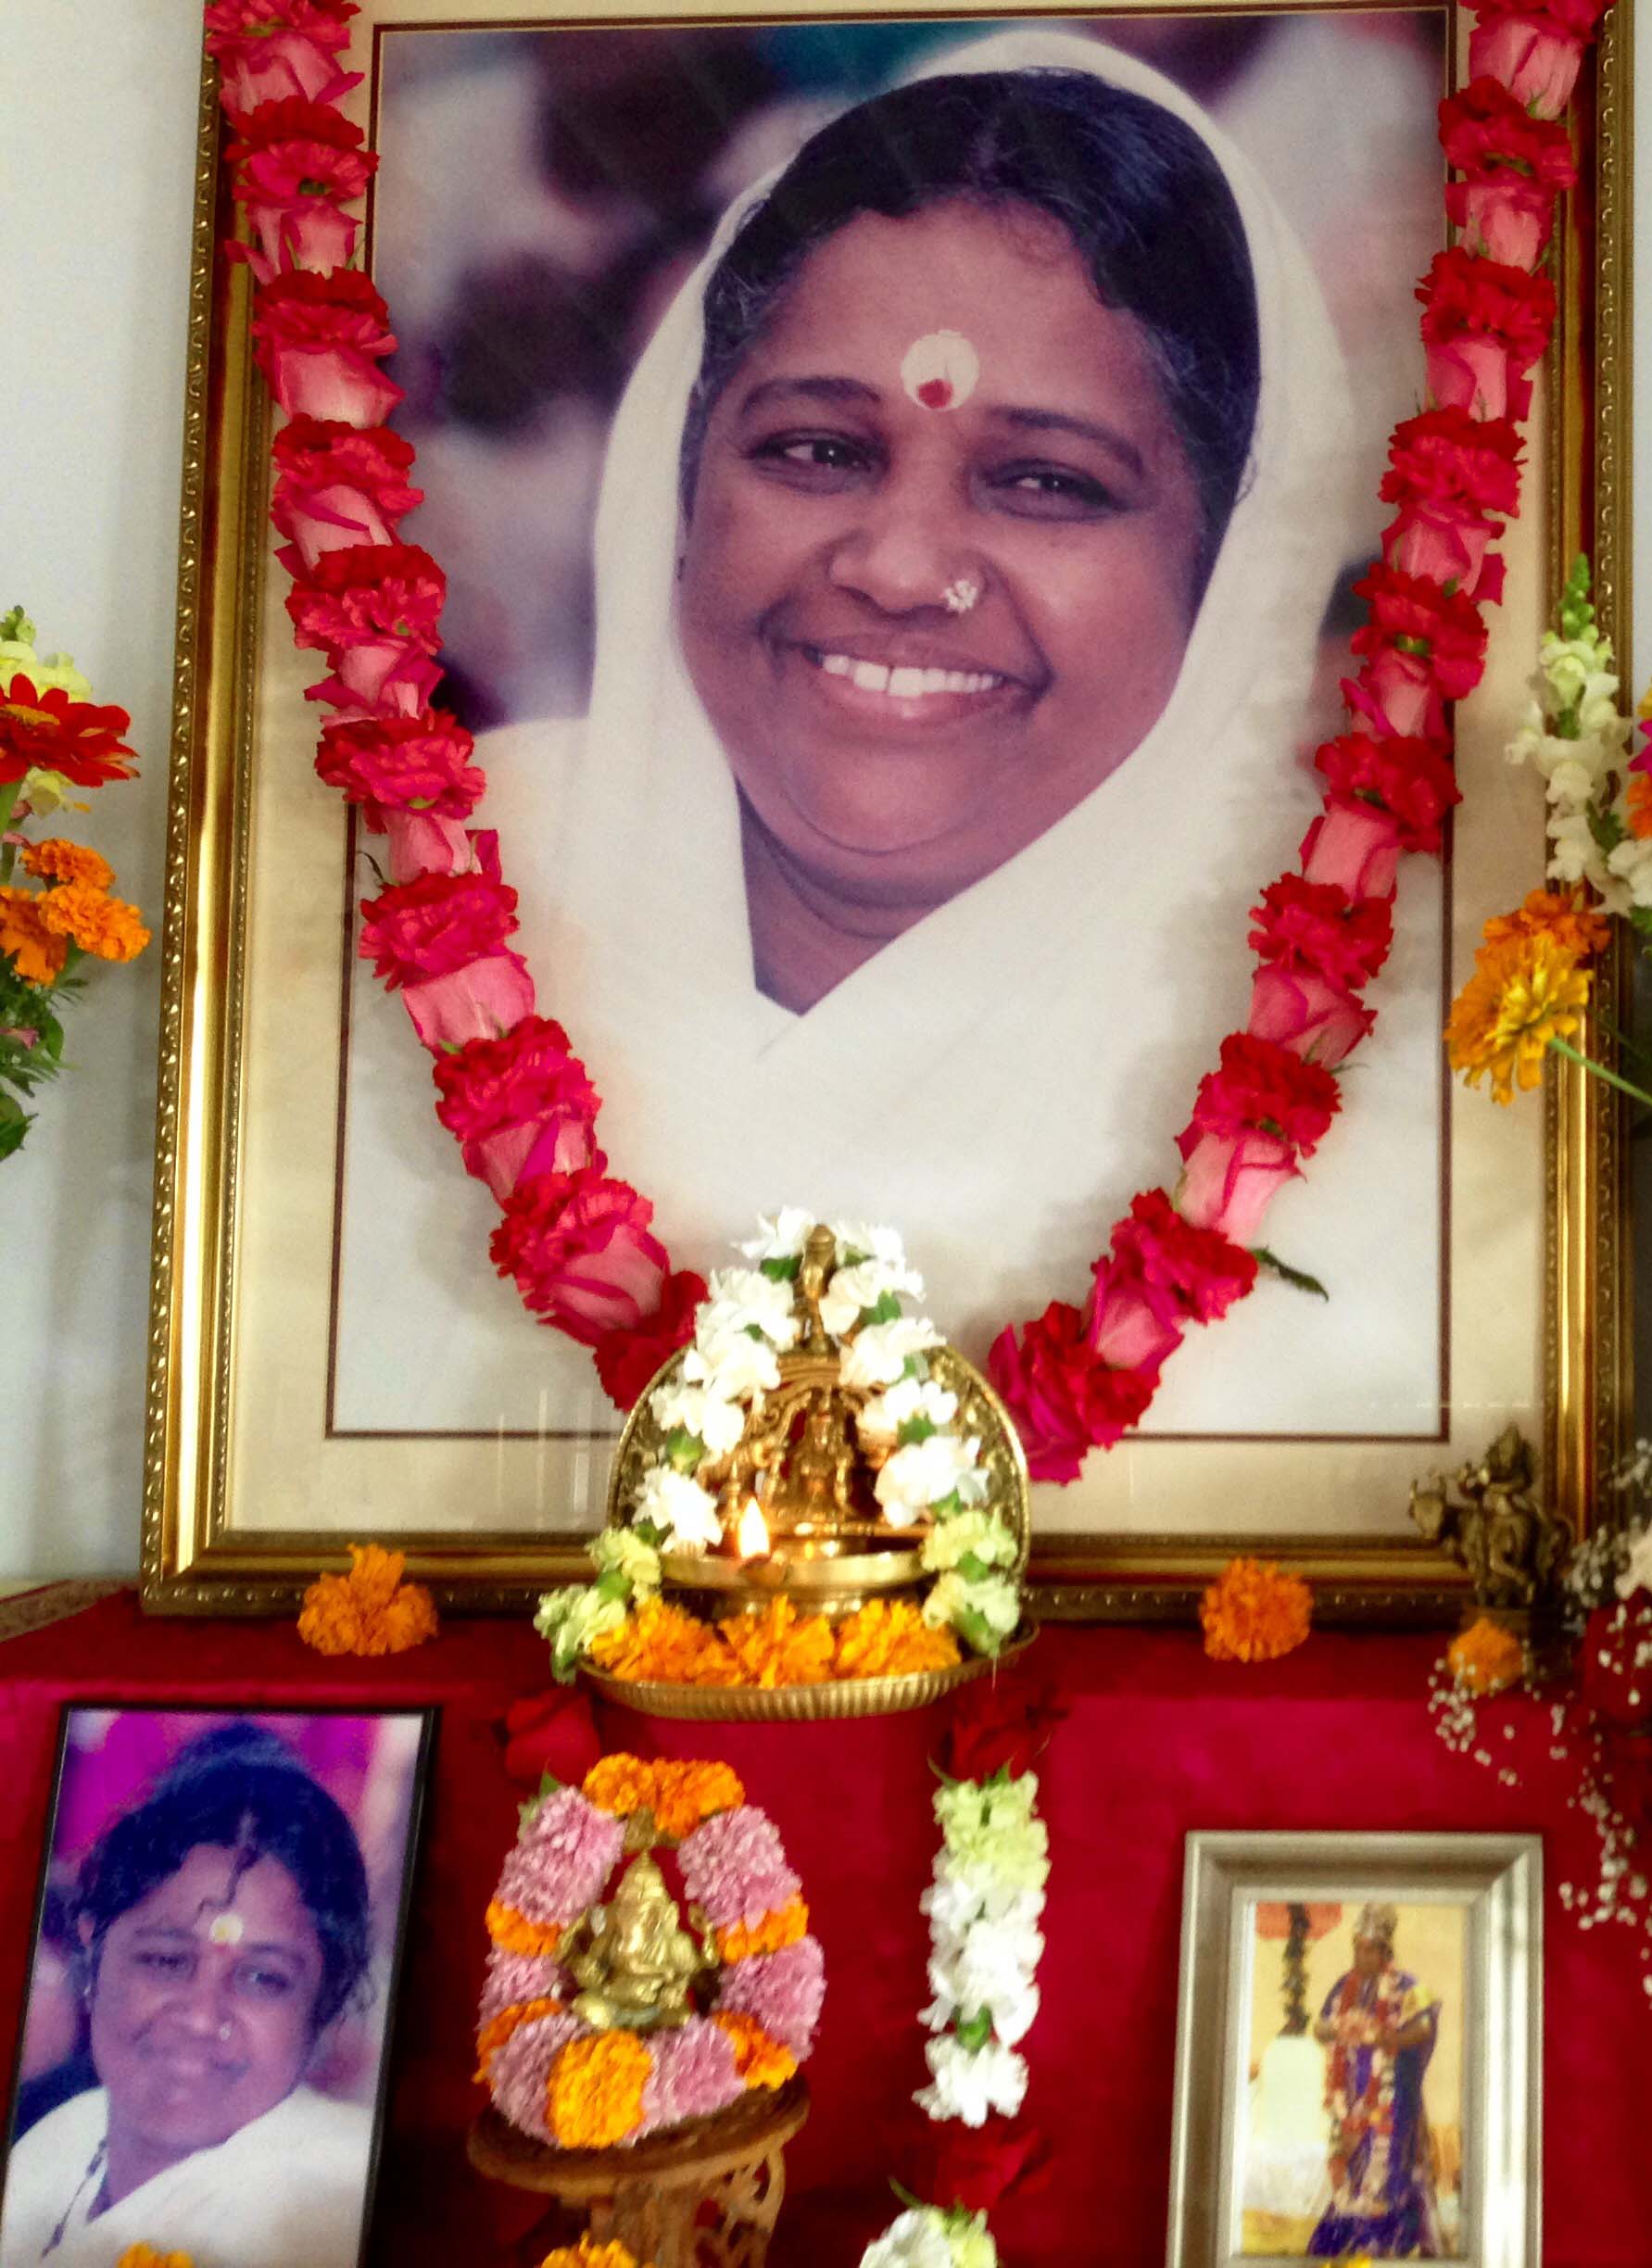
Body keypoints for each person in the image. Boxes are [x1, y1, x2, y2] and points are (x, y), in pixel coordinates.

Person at [334, 30, 1445, 1446]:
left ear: (1231, 566)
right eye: (816, 450)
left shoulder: (1370, 1063)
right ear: (677, 483)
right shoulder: (423, 915)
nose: (904, 564)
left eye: (1048, 480)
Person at [0, 1725, 381, 2268]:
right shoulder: (58, 2142)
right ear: (93, 1951)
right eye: (166, 1961)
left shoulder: (334, 2204)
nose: (202, 2016)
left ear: (325, 2001)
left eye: (262, 1978)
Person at [1306, 1903, 1443, 2258]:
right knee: (1350, 2173)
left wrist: (1389, 2038)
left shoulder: (1407, 1985)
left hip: (1391, 2102)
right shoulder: (1344, 1986)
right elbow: (1318, 2027)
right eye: (1356, 1948)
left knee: (1385, 2173)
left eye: (1367, 1949)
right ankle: (1347, 2236)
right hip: (1351, 2100)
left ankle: (1382, 2242)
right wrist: (1337, 2027)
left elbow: (1425, 2026)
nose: (1359, 1955)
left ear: (1385, 1952)